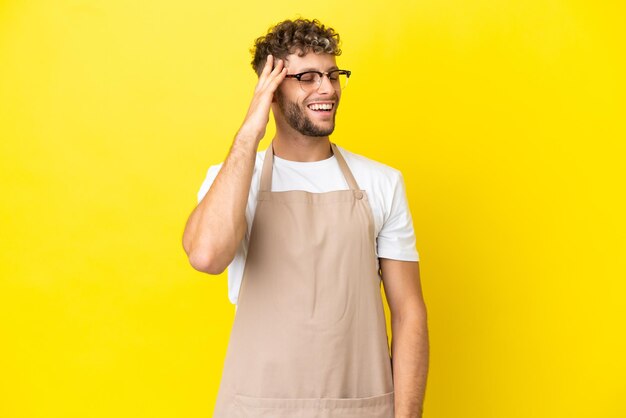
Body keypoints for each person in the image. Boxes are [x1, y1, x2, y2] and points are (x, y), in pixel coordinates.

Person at [182, 18, 429, 418]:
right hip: (257, 407)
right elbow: (206, 256)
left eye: (333, 75)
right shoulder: (230, 181)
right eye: (308, 77)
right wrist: (250, 130)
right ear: (272, 91)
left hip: (359, 406)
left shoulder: (381, 182)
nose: (328, 89)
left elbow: (409, 313)